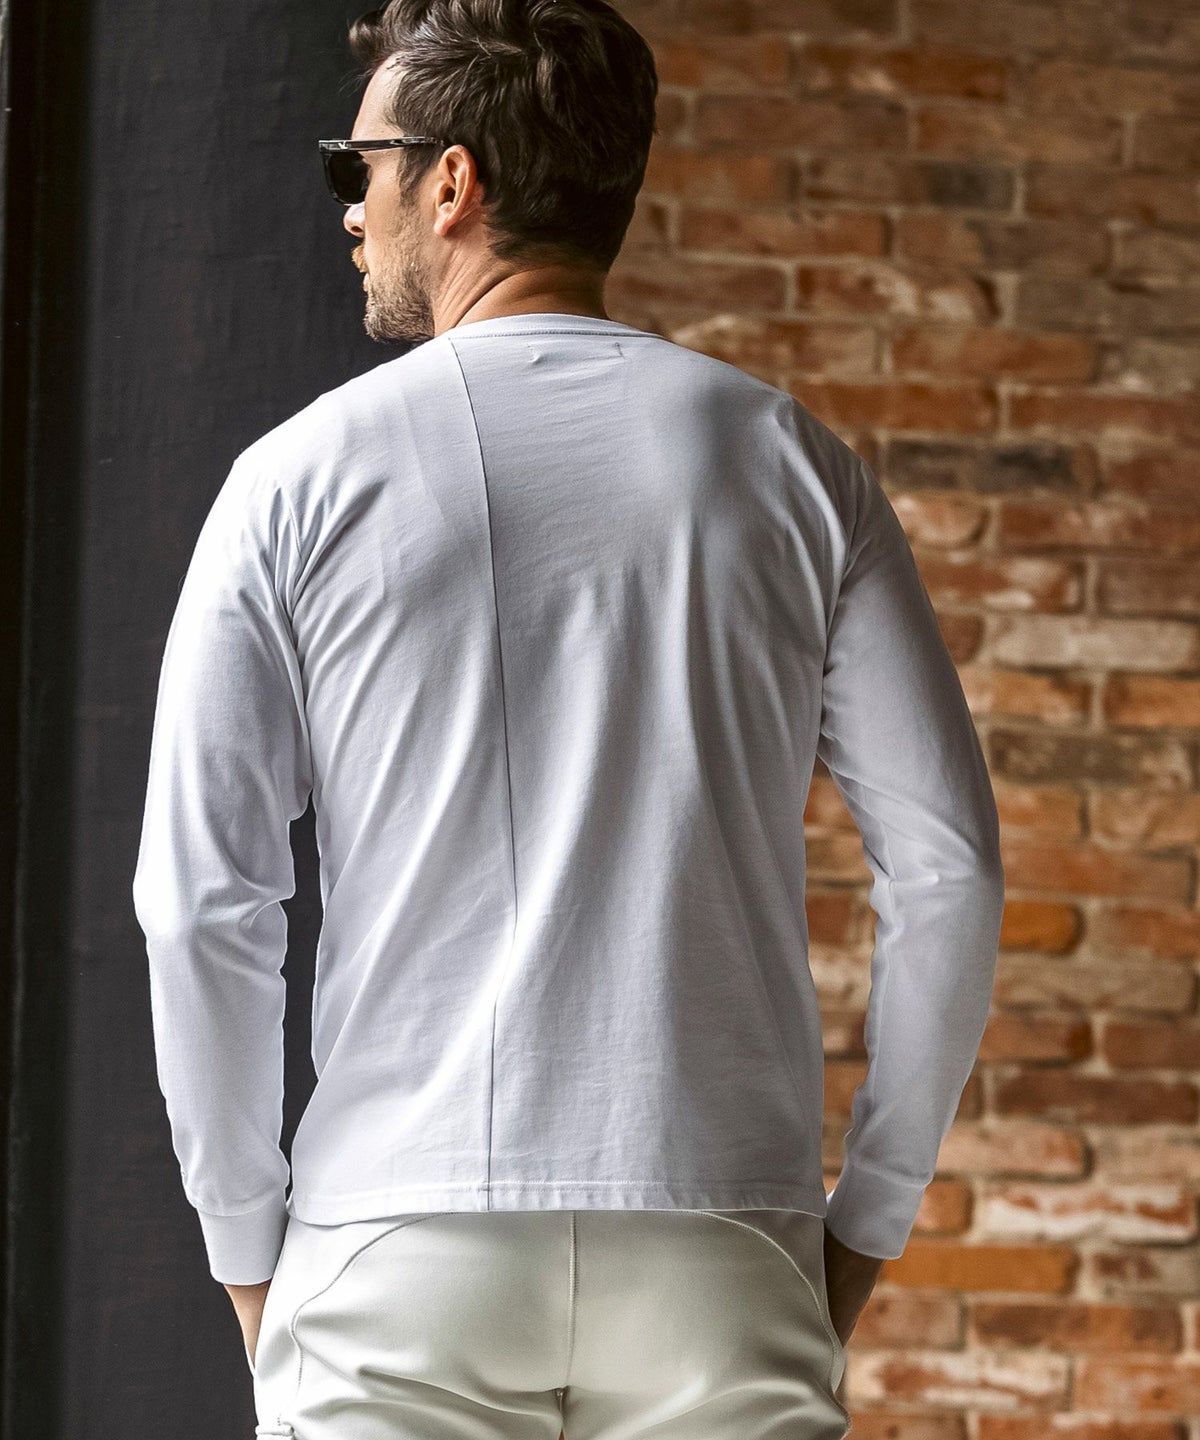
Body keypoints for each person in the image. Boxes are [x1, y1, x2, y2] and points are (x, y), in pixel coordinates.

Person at [131, 1, 1006, 1436]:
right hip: (719, 1225)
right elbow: (952, 869)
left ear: (452, 183)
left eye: (358, 169)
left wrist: (247, 1253)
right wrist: (866, 1220)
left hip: (398, 1238)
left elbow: (201, 903)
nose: (349, 208)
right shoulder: (794, 465)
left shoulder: (294, 482)